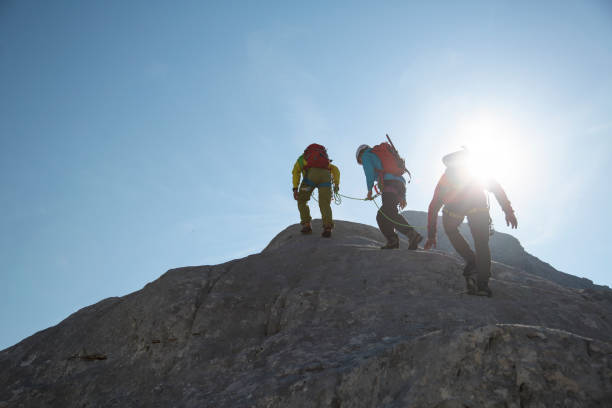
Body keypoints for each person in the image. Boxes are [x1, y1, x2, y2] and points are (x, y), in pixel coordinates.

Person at [424, 148, 518, 296]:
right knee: (481, 244)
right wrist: (508, 211)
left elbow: (433, 206)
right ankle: (482, 285)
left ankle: (471, 260)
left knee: (450, 229)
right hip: (479, 209)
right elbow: (497, 188)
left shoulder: (446, 177)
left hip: (453, 212)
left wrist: (431, 235)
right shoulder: (474, 173)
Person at [356, 144, 422, 249]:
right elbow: (396, 177)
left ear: (360, 154)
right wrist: (403, 197)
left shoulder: (366, 155)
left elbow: (369, 173)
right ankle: (393, 241)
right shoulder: (380, 155)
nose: (361, 162)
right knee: (382, 216)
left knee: (389, 213)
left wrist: (369, 190)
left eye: (360, 161)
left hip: (390, 184)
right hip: (400, 184)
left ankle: (411, 234)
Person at [292, 144, 340, 238]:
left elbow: (295, 172)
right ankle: (327, 227)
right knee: (324, 203)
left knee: (302, 200)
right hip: (325, 178)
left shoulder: (303, 158)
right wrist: (336, 185)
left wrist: (295, 188)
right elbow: (336, 170)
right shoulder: (325, 161)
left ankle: (306, 225)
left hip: (311, 179)